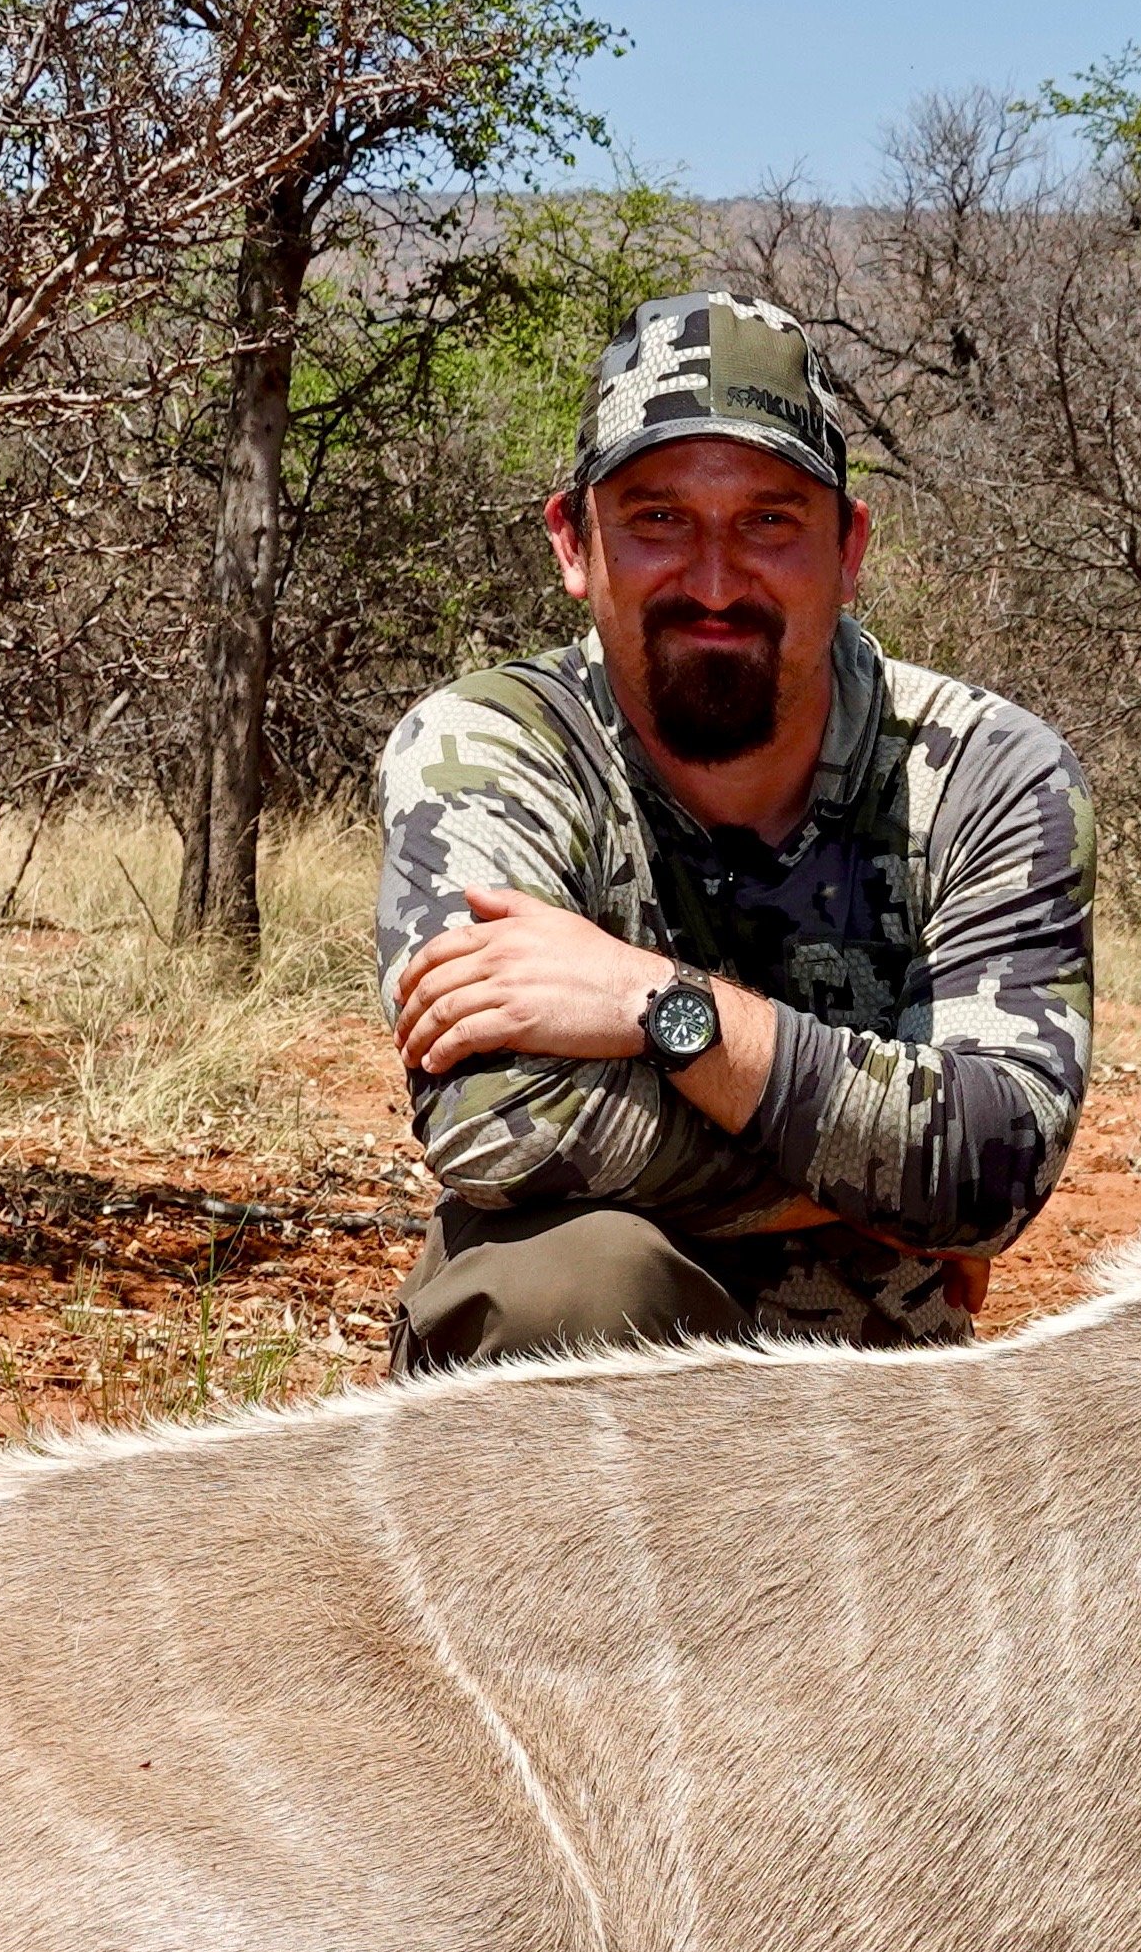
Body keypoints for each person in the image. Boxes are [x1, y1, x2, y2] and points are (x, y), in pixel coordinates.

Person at [373, 291, 1092, 1369]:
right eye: (658, 517)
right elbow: (499, 1120)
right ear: (574, 541)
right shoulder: (488, 746)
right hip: (585, 1405)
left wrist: (658, 1008)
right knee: (570, 1286)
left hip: (880, 1408)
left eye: (769, 520)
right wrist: (893, 1199)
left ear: (847, 550)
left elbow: (997, 1161)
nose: (715, 581)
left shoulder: (992, 768)